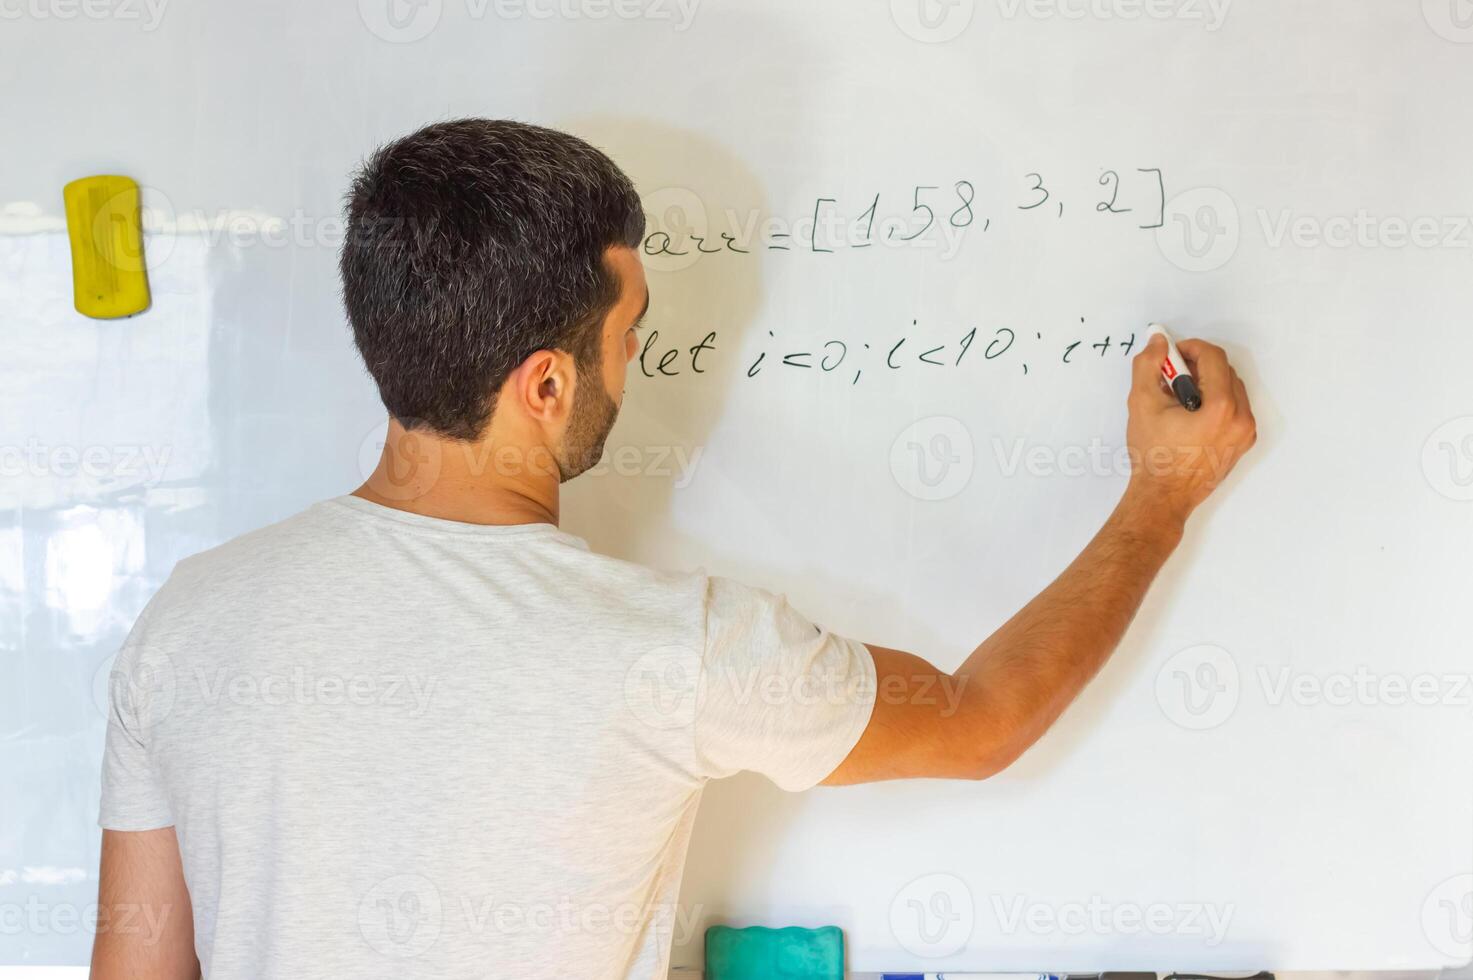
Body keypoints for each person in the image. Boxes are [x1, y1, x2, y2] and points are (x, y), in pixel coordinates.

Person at [90, 119, 1256, 979]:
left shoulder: (188, 621)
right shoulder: (677, 647)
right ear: (546, 383)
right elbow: (982, 715)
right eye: (631, 335)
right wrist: (1163, 494)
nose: (639, 367)